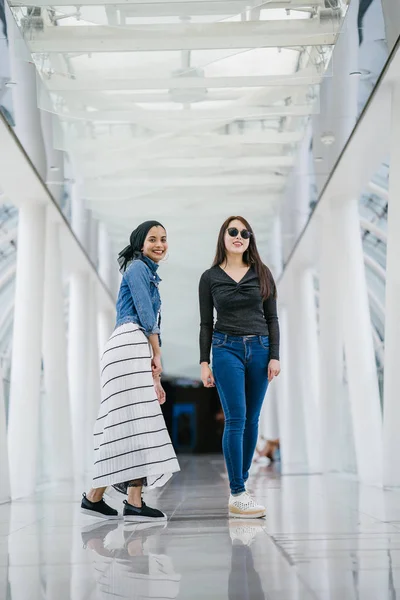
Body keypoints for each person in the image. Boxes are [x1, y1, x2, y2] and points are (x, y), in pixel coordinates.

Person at [81, 220, 180, 522]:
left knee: (132, 424)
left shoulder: (148, 274)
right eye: (153, 239)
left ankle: (115, 499)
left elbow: (151, 322)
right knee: (128, 423)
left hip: (133, 347)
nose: (159, 244)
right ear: (140, 243)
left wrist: (155, 376)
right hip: (129, 344)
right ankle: (102, 497)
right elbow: (146, 315)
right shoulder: (137, 268)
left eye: (163, 239)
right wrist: (157, 352)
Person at [199, 216, 280, 519]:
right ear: (223, 236)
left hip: (259, 350)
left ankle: (242, 485)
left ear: (250, 240)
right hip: (225, 349)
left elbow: (272, 318)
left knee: (253, 420)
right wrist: (204, 362)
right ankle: (237, 492)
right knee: (236, 418)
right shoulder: (210, 277)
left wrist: (275, 355)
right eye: (233, 231)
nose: (238, 236)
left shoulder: (262, 273)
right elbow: (206, 323)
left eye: (244, 233)